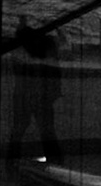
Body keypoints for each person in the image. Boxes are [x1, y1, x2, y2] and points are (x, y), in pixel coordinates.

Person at [4, 19, 64, 165]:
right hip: (41, 96)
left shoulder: (20, 51)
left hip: (28, 95)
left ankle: (12, 161)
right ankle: (55, 162)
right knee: (46, 130)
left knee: (21, 129)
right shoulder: (48, 48)